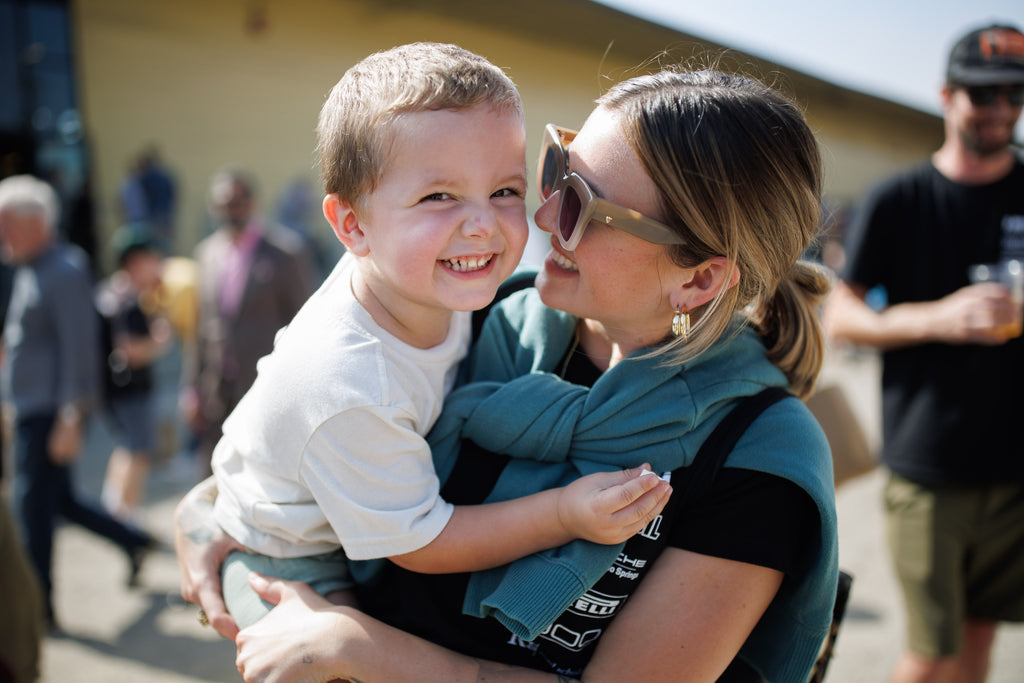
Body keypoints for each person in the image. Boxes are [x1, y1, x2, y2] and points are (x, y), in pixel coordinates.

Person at [176, 65, 840, 682]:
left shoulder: (759, 454)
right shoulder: (486, 311)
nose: (543, 216)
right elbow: (314, 435)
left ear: (698, 278)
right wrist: (205, 516)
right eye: (555, 172)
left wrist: (359, 646)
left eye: (582, 206)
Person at [206, 42, 670, 630]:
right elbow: (422, 542)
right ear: (353, 225)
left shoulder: (419, 278)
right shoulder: (348, 379)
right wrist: (566, 513)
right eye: (438, 196)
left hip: (349, 523)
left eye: (504, 190)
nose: (482, 224)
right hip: (287, 557)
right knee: (329, 659)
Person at [824, 23, 1024, 683]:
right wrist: (937, 317)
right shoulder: (900, 198)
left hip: (1014, 467)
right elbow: (841, 316)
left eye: (1014, 95)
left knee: (977, 640)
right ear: (946, 94)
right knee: (929, 652)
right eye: (983, 93)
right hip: (929, 466)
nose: (1000, 110)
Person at [0, 174, 153, 631]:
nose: (2, 235)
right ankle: (132, 540)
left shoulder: (64, 269)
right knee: (60, 502)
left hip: (50, 414)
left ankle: (37, 608)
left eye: (7, 224)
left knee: (32, 511)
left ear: (35, 223)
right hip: (32, 408)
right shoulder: (30, 268)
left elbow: (80, 349)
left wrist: (71, 416)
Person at [181, 168, 315, 477]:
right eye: (225, 203)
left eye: (239, 201)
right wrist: (192, 389)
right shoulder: (207, 253)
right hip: (218, 390)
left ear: (253, 203)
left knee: (263, 476)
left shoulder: (285, 252)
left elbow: (304, 324)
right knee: (217, 476)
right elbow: (201, 328)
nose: (232, 209)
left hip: (265, 388)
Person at [96, 222, 172, 523]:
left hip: (117, 392)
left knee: (128, 448)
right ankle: (123, 518)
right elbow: (129, 351)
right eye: (154, 259)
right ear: (137, 262)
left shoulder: (115, 294)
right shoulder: (126, 300)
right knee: (137, 451)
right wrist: (160, 341)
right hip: (129, 392)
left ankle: (117, 510)